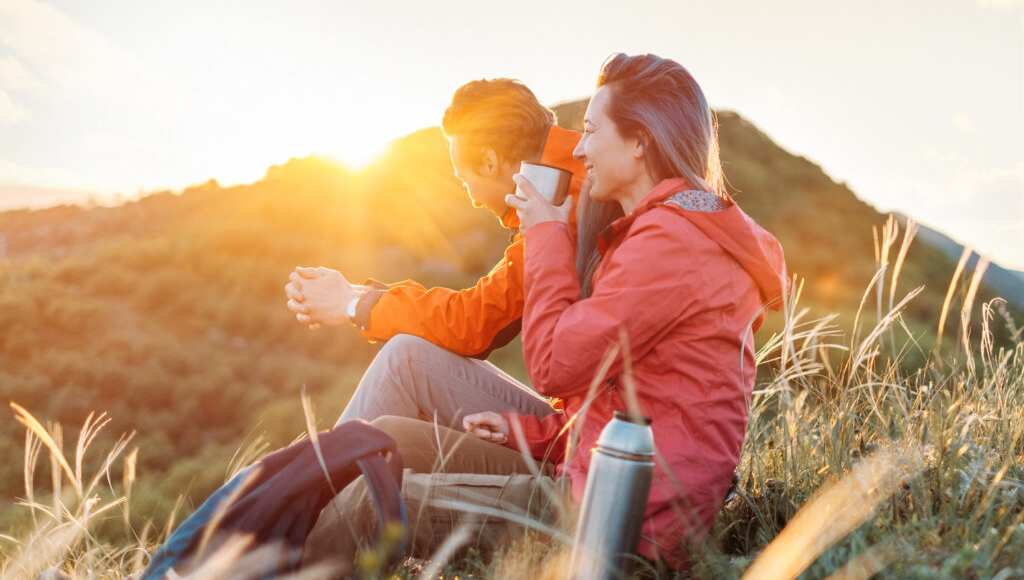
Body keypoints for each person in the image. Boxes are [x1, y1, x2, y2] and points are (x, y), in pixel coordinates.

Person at [302, 53, 788, 573]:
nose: (578, 148)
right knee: (383, 440)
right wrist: (523, 432)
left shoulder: (666, 242)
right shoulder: (657, 229)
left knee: (365, 505)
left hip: (616, 521)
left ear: (641, 141)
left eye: (591, 130)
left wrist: (546, 234)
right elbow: (625, 397)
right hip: (597, 473)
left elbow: (553, 364)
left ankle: (267, 545)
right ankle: (278, 510)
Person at [284, 78, 586, 429]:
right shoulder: (576, 177)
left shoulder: (566, 204)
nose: (472, 197)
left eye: (463, 178)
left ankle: (316, 479)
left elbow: (473, 323)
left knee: (406, 360)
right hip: (582, 420)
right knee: (407, 360)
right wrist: (358, 295)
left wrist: (353, 306)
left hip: (581, 434)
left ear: (489, 161)